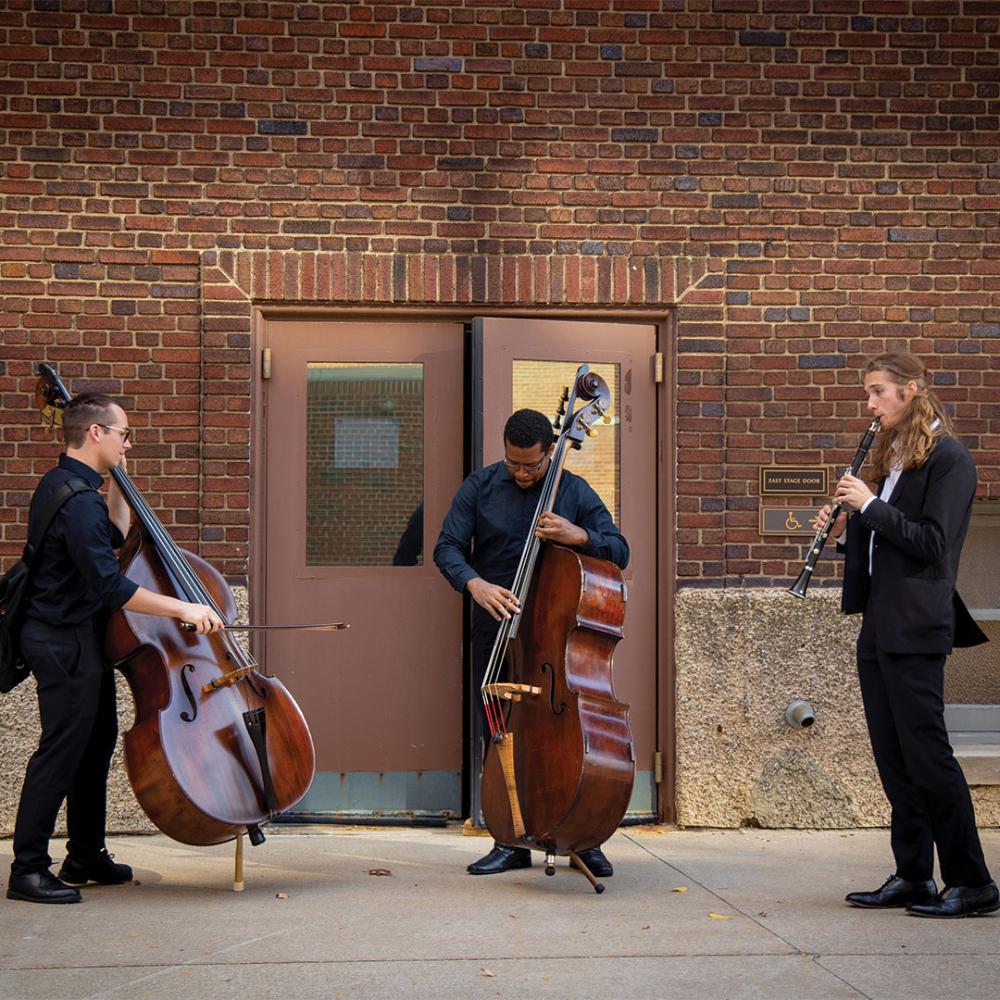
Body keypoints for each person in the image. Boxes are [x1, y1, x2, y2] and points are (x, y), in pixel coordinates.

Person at [7, 393, 225, 905]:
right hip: (61, 640)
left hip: (80, 636)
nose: (129, 442)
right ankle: (28, 870)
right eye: (123, 433)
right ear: (96, 433)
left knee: (95, 741)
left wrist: (121, 483)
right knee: (60, 750)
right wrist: (184, 609)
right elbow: (111, 586)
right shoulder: (76, 499)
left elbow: (112, 536)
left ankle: (84, 853)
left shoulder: (72, 487)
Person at [815, 351, 997, 918]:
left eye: (876, 392)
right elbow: (890, 545)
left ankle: (972, 882)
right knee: (894, 760)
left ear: (910, 390)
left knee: (928, 756)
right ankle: (914, 874)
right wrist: (847, 533)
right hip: (880, 626)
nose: (869, 404)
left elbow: (932, 544)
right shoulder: (899, 460)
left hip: (917, 628)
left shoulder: (950, 460)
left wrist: (867, 504)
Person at [434, 408, 629, 877]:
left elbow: (620, 549)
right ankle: (510, 839)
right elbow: (447, 547)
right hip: (499, 631)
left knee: (573, 739)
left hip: (560, 641)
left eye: (532, 465)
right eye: (513, 464)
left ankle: (581, 834)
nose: (522, 473)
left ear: (549, 453)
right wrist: (475, 584)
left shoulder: (575, 491)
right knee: (501, 734)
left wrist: (578, 534)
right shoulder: (479, 486)